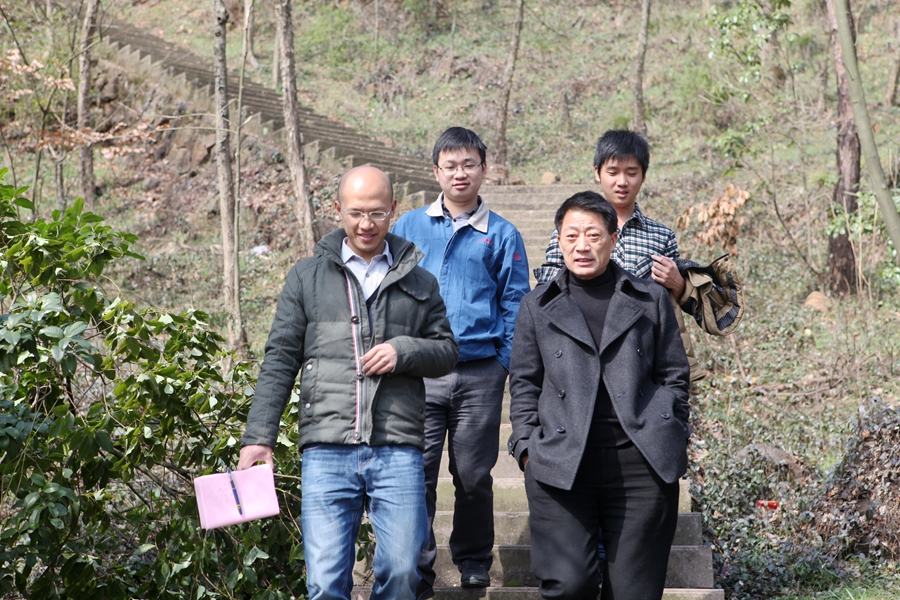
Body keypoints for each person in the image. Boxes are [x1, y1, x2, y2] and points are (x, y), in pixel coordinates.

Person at [237, 165, 459, 600]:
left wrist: (402, 352)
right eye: (356, 212)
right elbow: (279, 359)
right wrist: (259, 437)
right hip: (326, 447)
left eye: (377, 212)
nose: (366, 224)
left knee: (402, 573)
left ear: (394, 210)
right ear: (337, 209)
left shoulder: (420, 280)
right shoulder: (306, 277)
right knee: (324, 583)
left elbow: (447, 351)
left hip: (397, 446)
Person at [508, 191, 691, 600]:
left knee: (634, 593)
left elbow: (674, 374)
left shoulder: (650, 298)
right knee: (568, 585)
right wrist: (525, 447)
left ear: (614, 238)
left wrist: (672, 430)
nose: (582, 246)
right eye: (571, 235)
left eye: (593, 235)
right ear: (558, 241)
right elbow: (524, 383)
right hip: (561, 462)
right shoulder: (537, 305)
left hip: (641, 463)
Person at [391, 127, 530, 596]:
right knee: (417, 473)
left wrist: (503, 364)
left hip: (479, 374)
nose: (460, 173)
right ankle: (417, 567)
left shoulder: (503, 233)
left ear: (484, 169)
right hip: (419, 373)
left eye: (469, 164)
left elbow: (516, 304)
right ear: (436, 172)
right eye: (450, 165)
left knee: (472, 475)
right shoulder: (409, 227)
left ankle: (473, 559)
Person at [532, 129, 703, 381]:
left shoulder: (661, 235)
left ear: (643, 176)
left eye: (631, 173)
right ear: (597, 173)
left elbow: (673, 306)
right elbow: (546, 289)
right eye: (612, 172)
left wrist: (678, 284)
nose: (622, 182)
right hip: (582, 349)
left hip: (642, 352)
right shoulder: (572, 233)